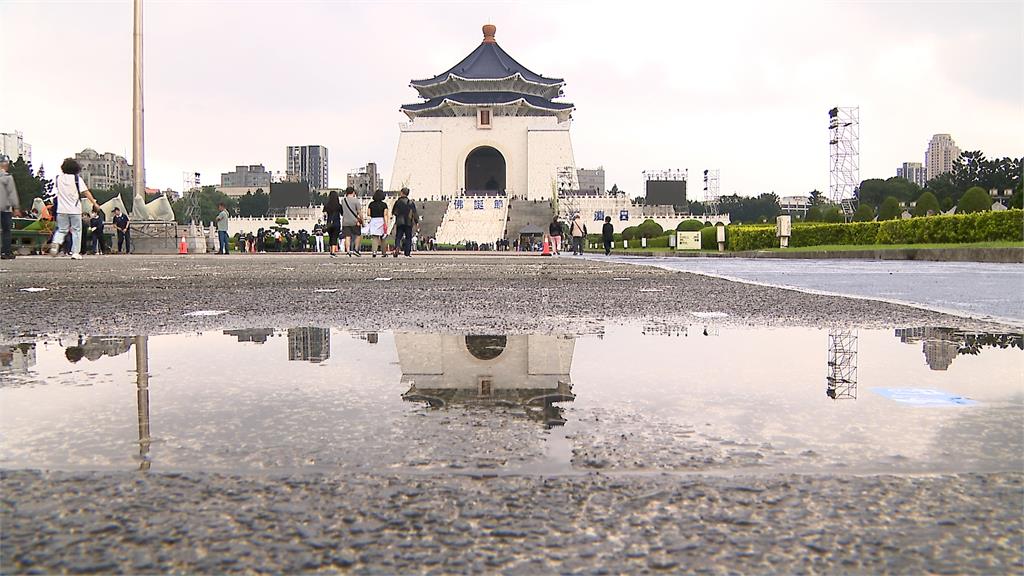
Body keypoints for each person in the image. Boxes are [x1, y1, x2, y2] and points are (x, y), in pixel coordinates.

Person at [49, 158, 99, 259]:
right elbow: (86, 192)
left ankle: (56, 242)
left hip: (61, 209)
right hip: (75, 209)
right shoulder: (77, 179)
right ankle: (75, 252)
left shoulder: (58, 178)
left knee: (62, 229)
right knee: (77, 231)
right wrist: (94, 203)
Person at [0, 155, 20, 260]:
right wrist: (16, 207)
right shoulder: (7, 177)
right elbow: (12, 193)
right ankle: (5, 252)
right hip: (5, 208)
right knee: (6, 230)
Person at [391, 187, 418, 258]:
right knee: (408, 237)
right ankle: (407, 252)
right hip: (408, 222)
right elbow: (415, 213)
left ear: (401, 193)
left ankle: (397, 247)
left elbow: (393, 212)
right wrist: (416, 222)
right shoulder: (411, 203)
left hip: (400, 221)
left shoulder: (398, 202)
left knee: (398, 237)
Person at [367, 189, 389, 257]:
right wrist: (386, 223)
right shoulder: (384, 205)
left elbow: (368, 213)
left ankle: (374, 252)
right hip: (381, 220)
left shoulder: (371, 204)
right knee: (383, 237)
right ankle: (384, 252)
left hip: (373, 220)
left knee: (375, 237)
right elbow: (385, 214)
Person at [341, 187, 363, 256]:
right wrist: (362, 220)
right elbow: (359, 212)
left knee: (347, 237)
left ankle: (348, 251)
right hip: (355, 221)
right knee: (358, 235)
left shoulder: (343, 200)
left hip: (345, 221)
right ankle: (356, 249)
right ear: (353, 192)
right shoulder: (356, 201)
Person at [322, 190, 343, 257]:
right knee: (335, 237)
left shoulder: (327, 205)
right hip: (336, 223)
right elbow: (342, 214)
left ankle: (331, 250)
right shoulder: (339, 206)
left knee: (331, 237)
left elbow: (324, 214)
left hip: (329, 223)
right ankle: (333, 252)